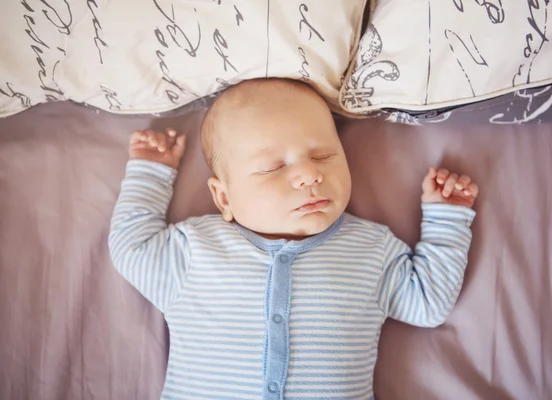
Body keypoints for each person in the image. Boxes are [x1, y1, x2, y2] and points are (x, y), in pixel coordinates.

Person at [109, 78, 479, 400]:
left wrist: (447, 216)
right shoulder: (195, 250)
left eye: (323, 155)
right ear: (224, 198)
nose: (308, 174)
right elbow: (132, 247)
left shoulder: (371, 250)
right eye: (273, 167)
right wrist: (150, 173)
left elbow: (427, 303)